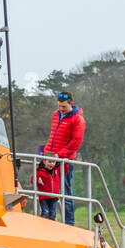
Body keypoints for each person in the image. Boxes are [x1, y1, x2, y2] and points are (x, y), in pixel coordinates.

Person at [44, 90, 86, 226]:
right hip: (50, 158)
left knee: (66, 190)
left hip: (65, 160)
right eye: (59, 106)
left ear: (71, 104)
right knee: (48, 188)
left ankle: (69, 222)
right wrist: (47, 152)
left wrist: (59, 155)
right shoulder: (56, 115)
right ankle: (49, 217)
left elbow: (75, 143)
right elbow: (52, 135)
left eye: (64, 107)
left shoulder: (77, 119)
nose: (61, 109)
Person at [34, 145, 61, 220]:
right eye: (49, 162)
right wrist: (37, 180)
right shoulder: (40, 171)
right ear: (44, 161)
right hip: (44, 197)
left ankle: (51, 228)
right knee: (45, 212)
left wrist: (66, 161)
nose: (51, 164)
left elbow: (65, 170)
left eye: (53, 162)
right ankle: (43, 227)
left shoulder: (57, 170)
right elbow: (33, 179)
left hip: (54, 196)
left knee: (53, 214)